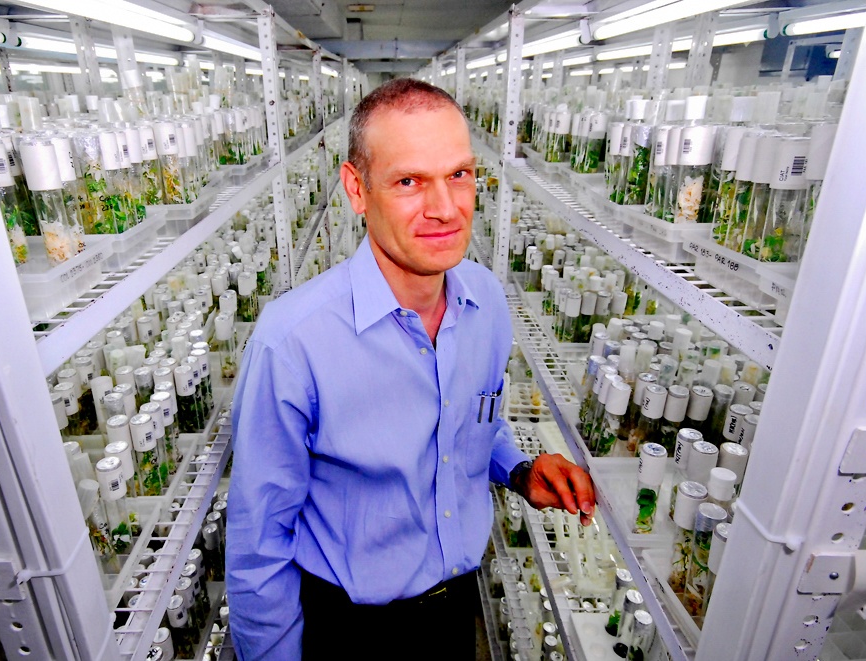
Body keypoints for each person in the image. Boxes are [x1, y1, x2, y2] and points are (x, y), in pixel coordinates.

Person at [226, 77, 595, 660]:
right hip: (351, 633)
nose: (445, 208)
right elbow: (258, 544)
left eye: (459, 174)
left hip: (454, 616)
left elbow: (472, 416)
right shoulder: (292, 342)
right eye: (408, 181)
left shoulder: (485, 301)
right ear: (356, 189)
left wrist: (518, 469)